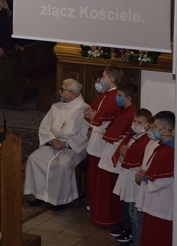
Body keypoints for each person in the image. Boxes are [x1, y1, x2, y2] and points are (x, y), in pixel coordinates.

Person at [23, 79, 91, 209]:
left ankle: (60, 200)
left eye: (63, 90)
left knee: (61, 165)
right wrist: (51, 140)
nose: (59, 93)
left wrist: (66, 144)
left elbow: (85, 135)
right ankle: (40, 195)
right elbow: (45, 127)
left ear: (72, 93)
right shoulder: (56, 107)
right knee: (34, 159)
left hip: (73, 148)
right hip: (53, 143)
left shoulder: (85, 110)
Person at [92, 79, 138, 228]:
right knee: (121, 195)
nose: (116, 98)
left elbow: (127, 135)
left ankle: (127, 227)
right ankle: (124, 225)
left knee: (124, 197)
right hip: (115, 154)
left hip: (120, 158)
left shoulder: (131, 114)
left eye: (119, 95)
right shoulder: (125, 111)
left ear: (128, 98)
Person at [136, 111, 175, 246]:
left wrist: (145, 178)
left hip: (163, 201)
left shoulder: (171, 150)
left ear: (166, 129)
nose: (152, 130)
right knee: (152, 235)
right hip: (155, 200)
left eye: (155, 127)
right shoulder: (162, 146)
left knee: (160, 238)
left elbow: (165, 178)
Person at [111, 108, 154, 246]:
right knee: (131, 211)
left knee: (137, 214)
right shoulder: (135, 136)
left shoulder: (147, 140)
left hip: (136, 180)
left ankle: (138, 245)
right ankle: (134, 239)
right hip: (129, 176)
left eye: (139, 122)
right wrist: (125, 152)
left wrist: (127, 152)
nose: (135, 124)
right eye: (135, 121)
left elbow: (140, 157)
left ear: (148, 125)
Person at [83, 66, 123, 226]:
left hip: (105, 144)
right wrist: (93, 119)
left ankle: (106, 216)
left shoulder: (114, 97)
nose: (100, 80)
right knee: (97, 180)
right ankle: (96, 211)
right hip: (97, 142)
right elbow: (94, 115)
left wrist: (95, 119)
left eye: (104, 76)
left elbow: (111, 121)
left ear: (111, 79)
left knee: (104, 182)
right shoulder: (106, 95)